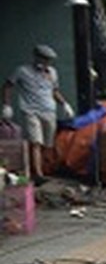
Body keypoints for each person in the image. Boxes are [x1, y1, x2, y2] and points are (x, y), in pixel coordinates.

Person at [2, 44, 68, 185]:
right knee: (36, 141)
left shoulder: (52, 73)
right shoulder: (22, 71)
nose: (46, 63)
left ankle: (43, 169)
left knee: (48, 144)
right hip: (31, 110)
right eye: (44, 59)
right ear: (37, 57)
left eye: (49, 60)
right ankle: (38, 174)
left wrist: (64, 104)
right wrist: (7, 105)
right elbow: (8, 86)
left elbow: (54, 91)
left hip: (49, 110)